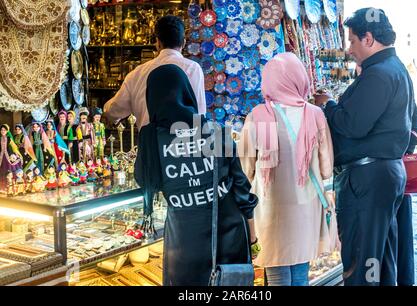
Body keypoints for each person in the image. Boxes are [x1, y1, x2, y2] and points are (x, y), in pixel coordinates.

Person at [314, 8, 415, 286]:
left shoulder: (379, 74)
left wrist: (327, 106)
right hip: (382, 176)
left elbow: (352, 124)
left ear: (368, 38)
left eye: (352, 41)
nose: (349, 49)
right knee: (379, 259)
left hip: (369, 179)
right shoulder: (392, 69)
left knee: (362, 261)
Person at [134, 64, 258, 285]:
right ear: (187, 93)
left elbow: (145, 180)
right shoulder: (217, 131)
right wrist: (253, 237)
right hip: (229, 238)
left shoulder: (151, 139)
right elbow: (242, 190)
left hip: (183, 246)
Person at [238, 53, 334, 286]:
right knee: (300, 270)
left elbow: (245, 168)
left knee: (277, 272)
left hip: (271, 208)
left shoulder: (260, 116)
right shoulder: (315, 114)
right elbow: (326, 165)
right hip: (306, 205)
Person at [103, 15, 206, 131]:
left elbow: (114, 111)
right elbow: (200, 114)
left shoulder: (137, 73)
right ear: (184, 42)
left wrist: (105, 109)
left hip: (150, 146)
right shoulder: (193, 69)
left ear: (158, 42)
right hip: (183, 146)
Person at [397, 105, 417, 286]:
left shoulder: (407, 99)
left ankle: (404, 279)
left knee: (402, 231)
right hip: (396, 173)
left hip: (400, 175)